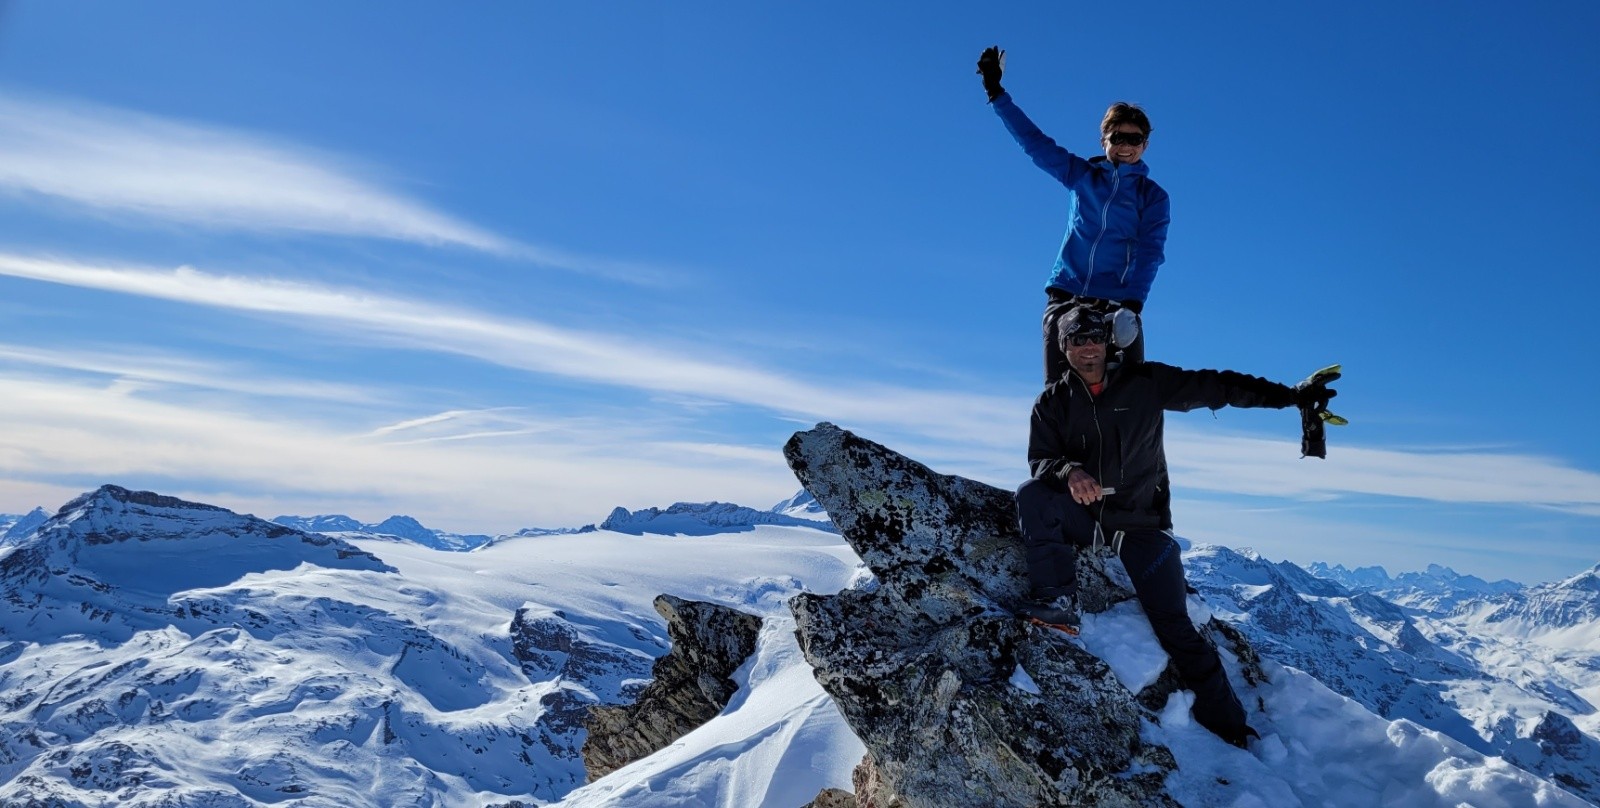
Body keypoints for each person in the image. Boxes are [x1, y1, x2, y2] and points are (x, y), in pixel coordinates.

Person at [1013, 306, 1336, 748]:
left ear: (1108, 342)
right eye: (1076, 340)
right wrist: (1069, 472)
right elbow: (1041, 459)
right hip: (1086, 518)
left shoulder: (1146, 383)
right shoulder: (1052, 402)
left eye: (1094, 338)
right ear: (1064, 348)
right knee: (1032, 494)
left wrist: (1292, 396)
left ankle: (1230, 726)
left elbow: (1220, 386)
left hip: (1143, 526)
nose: (1087, 348)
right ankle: (1058, 600)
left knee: (1175, 626)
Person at [977, 46, 1168, 380]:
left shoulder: (1152, 196)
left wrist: (1133, 306)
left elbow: (1150, 252)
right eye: (1118, 136)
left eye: (1134, 139)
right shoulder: (1082, 176)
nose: (1126, 145)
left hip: (1117, 306)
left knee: (1133, 395)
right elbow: (1034, 142)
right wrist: (996, 93)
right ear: (1104, 140)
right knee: (1058, 397)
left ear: (1145, 144)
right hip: (1067, 296)